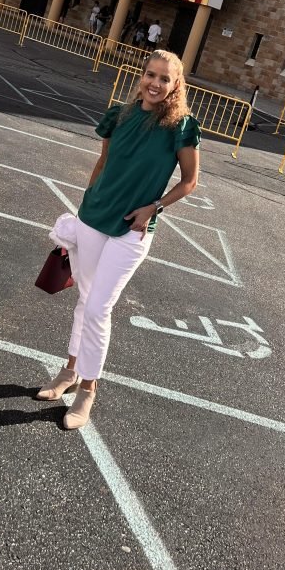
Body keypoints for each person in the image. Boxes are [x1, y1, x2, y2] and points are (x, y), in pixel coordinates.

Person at [36, 49, 201, 430]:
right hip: (94, 217)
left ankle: (87, 391)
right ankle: (70, 371)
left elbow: (190, 181)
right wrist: (84, 208)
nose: (155, 84)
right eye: (150, 75)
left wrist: (154, 207)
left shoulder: (181, 126)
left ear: (176, 85)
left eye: (164, 79)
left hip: (133, 229)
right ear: (141, 76)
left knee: (98, 309)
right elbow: (102, 163)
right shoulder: (120, 115)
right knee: (85, 299)